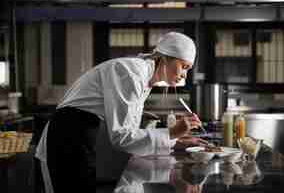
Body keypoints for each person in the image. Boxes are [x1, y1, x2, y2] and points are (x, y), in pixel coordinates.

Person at [35, 32, 208, 193]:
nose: (185, 75)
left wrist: (174, 141)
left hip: (81, 133)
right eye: (184, 66)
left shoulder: (145, 77)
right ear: (165, 57)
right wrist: (171, 133)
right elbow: (123, 137)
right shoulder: (131, 72)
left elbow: (130, 132)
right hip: (68, 133)